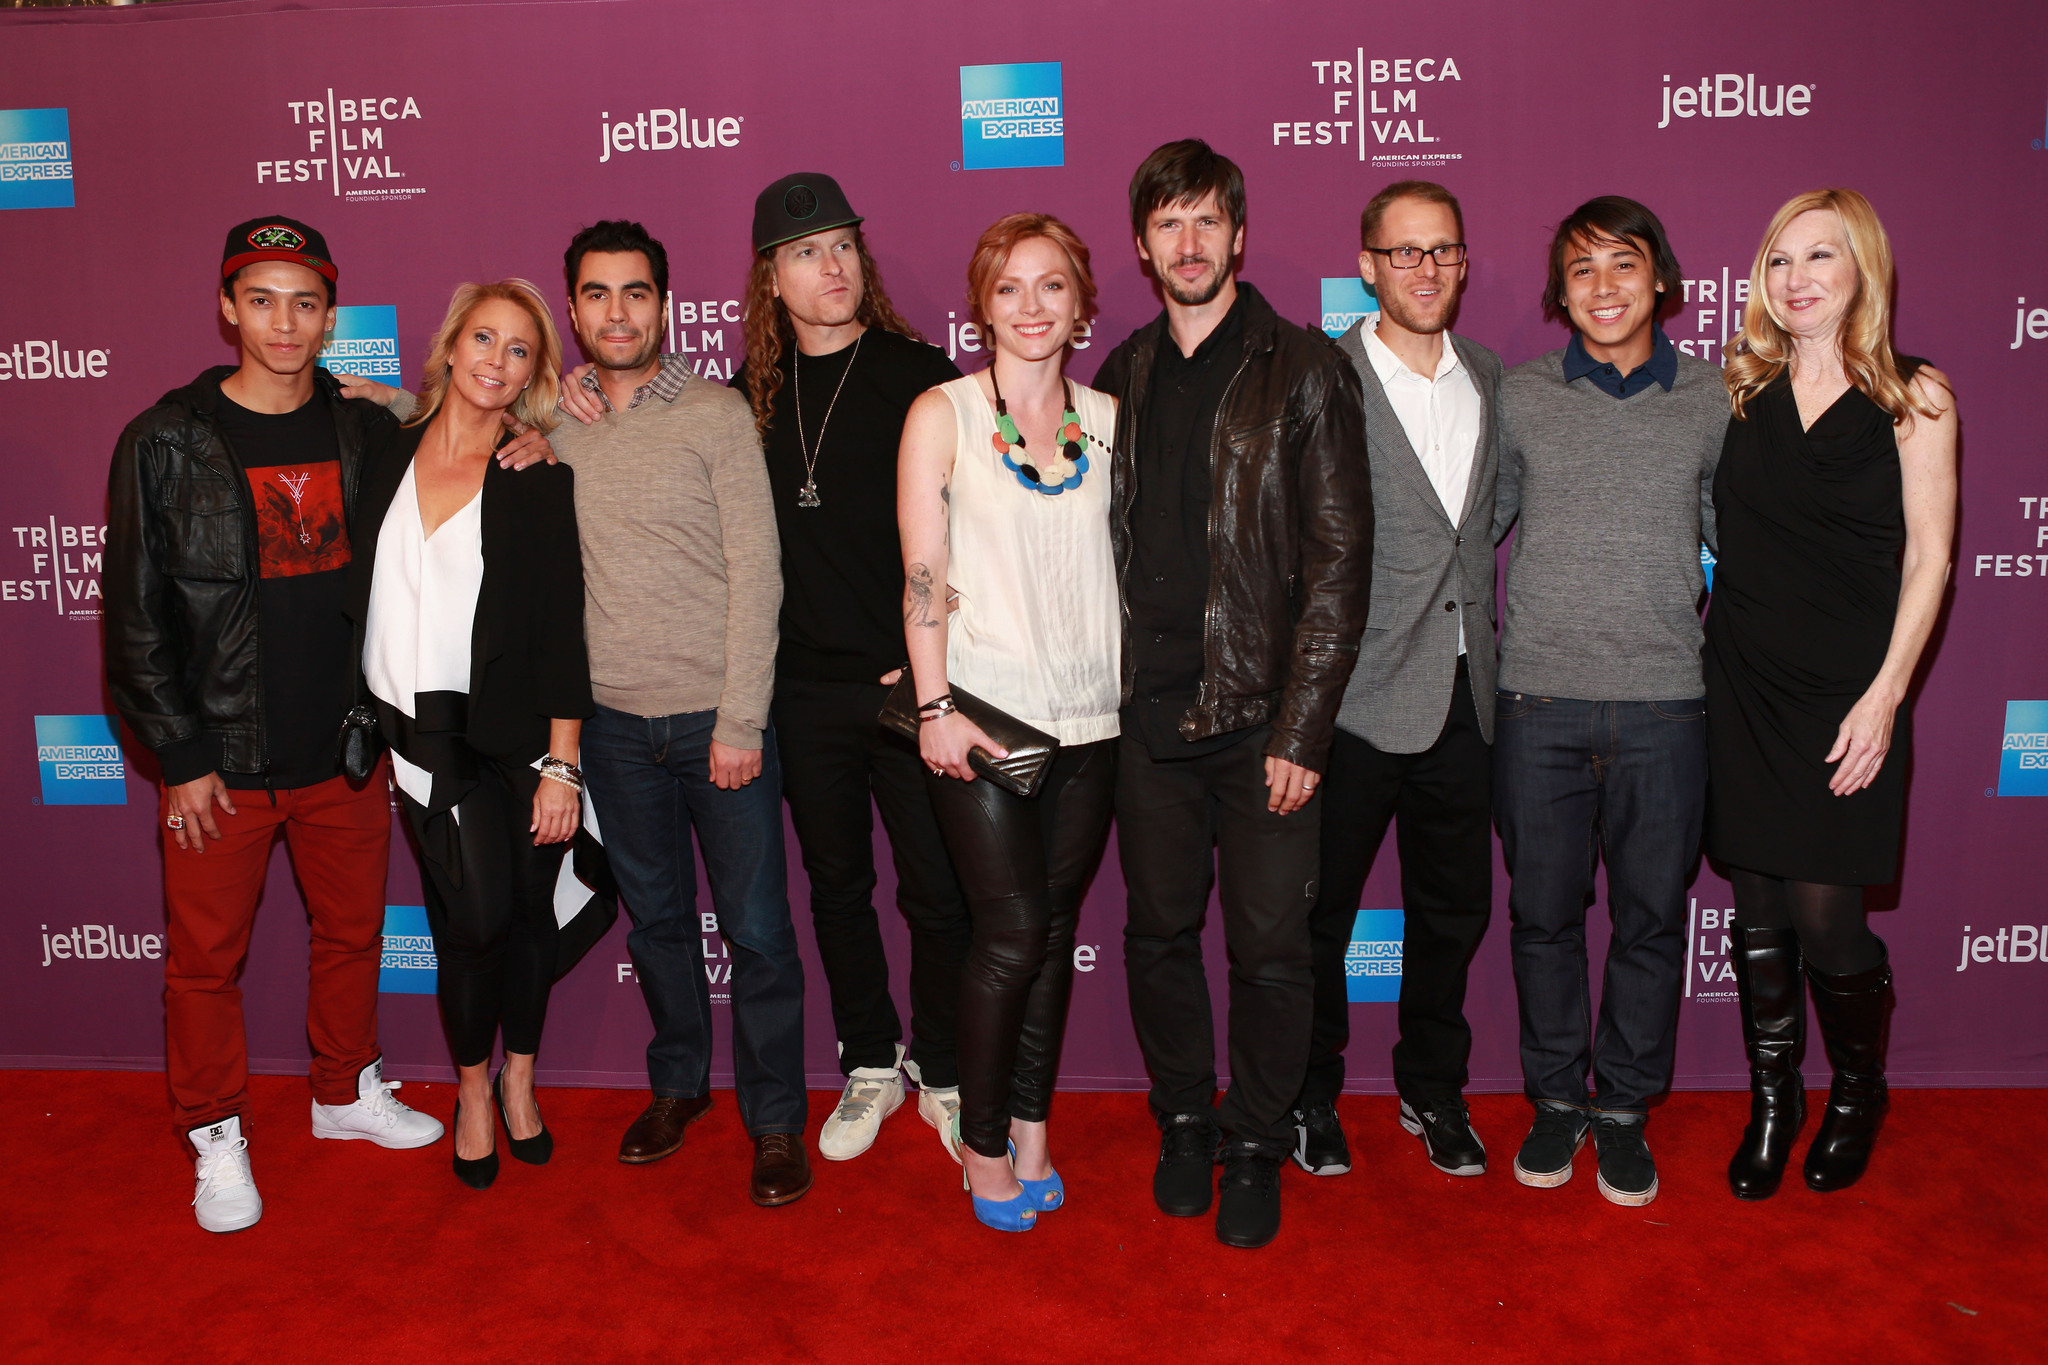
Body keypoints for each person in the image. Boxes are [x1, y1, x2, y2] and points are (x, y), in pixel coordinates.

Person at [354, 222, 808, 1206]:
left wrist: (740, 718)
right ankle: (679, 1087)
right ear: (574, 311)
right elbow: (449, 425)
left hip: (712, 721)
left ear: (665, 302)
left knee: (760, 931)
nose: (617, 312)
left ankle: (774, 1123)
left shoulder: (719, 415)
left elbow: (758, 573)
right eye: (597, 295)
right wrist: (378, 399)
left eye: (635, 293)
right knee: (655, 926)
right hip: (605, 728)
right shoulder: (554, 417)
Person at [104, 216, 442, 1235]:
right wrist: (182, 758)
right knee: (204, 963)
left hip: (342, 747)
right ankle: (214, 1135)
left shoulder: (364, 427)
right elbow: (134, 617)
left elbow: (462, 441)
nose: (284, 322)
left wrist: (499, 423)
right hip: (222, 766)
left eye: (304, 302)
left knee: (351, 936)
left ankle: (343, 1095)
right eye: (262, 299)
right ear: (226, 309)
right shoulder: (162, 441)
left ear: (332, 317)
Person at [1093, 140, 1372, 1249]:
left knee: (1269, 949)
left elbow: (1340, 560)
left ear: (1239, 235)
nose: (1190, 242)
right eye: (1169, 223)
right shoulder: (1119, 373)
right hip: (1144, 723)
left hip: (1261, 727)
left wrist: (1304, 726)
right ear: (1142, 244)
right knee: (1157, 937)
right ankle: (1182, 1121)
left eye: (1208, 220)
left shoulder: (1302, 367)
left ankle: (1254, 1137)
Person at [1708, 189, 1955, 1199]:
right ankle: (1774, 1098)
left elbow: (1930, 557)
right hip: (1740, 681)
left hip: (1846, 693)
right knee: (1755, 908)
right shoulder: (1736, 389)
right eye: (1777, 260)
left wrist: (1885, 695)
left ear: (1862, 272)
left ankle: (1856, 1090)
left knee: (1826, 920)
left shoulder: (1914, 396)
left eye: (1818, 257)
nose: (1795, 278)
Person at [1492, 197, 1729, 1207]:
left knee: (1647, 921)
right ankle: (1554, 1103)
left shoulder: (1715, 399)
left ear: (1660, 280)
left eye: (1621, 265)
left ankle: (1623, 1110)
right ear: (1558, 292)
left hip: (1665, 706)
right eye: (1579, 269)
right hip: (1536, 702)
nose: (1601, 287)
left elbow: (1734, 540)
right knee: (1541, 919)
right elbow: (1473, 532)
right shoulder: (1518, 396)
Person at [736, 173, 972, 1163]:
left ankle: (946, 1067)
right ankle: (870, 1057)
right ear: (770, 279)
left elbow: (971, 542)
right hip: (800, 694)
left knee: (936, 890)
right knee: (835, 887)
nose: (829, 267)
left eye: (841, 245)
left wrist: (933, 679)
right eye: (804, 252)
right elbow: (619, 409)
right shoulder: (746, 398)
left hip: (903, 687)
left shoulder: (921, 375)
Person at [897, 212, 1120, 1232]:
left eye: (1051, 287)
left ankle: (1032, 1127)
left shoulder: (1111, 420)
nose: (1030, 308)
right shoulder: (940, 413)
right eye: (1007, 289)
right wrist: (933, 704)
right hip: (978, 718)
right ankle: (980, 1144)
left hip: (1094, 722)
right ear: (979, 306)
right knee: (1009, 934)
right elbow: (922, 574)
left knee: (1056, 929)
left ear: (1080, 304)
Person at [348, 279, 591, 1190]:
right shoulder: (381, 451)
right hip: (422, 737)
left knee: (528, 910)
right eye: (482, 339)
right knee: (474, 918)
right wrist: (381, 398)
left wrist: (563, 763)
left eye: (518, 348)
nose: (495, 360)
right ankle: (472, 1087)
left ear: (534, 370)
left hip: (524, 736)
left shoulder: (536, 473)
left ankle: (519, 1077)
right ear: (451, 346)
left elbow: (564, 629)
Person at [1300, 180, 1502, 1180]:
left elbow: (1483, 527)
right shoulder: (1318, 377)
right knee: (1316, 918)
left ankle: (1432, 1092)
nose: (1423, 269)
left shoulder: (1494, 379)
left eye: (1441, 251)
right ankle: (1307, 1098)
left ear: (1461, 263)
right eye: (1402, 252)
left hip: (1468, 699)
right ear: (1367, 265)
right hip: (1349, 700)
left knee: (1452, 913)